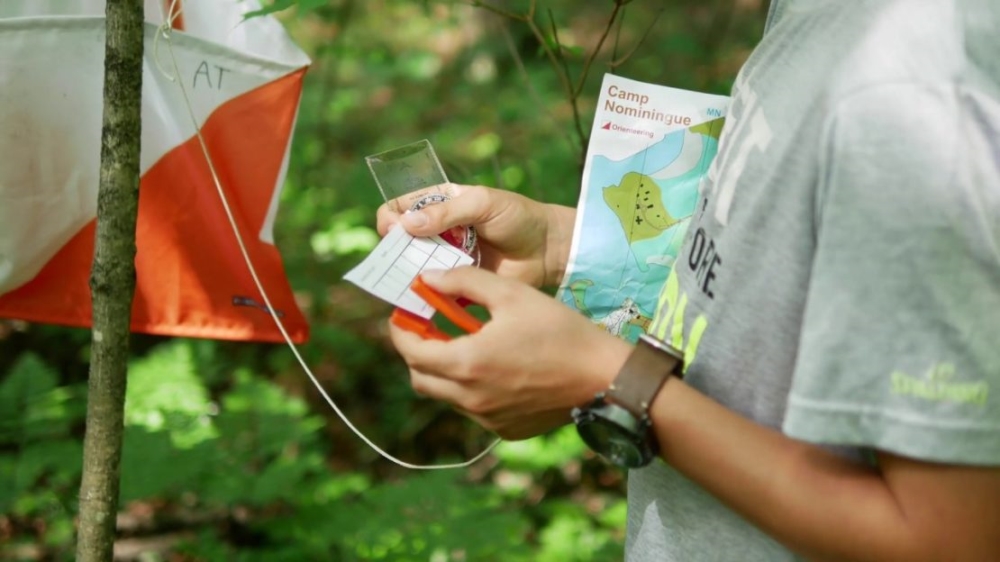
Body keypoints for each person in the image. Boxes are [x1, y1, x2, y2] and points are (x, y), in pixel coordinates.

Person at [375, 0, 1000, 559]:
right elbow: (770, 265)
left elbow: (952, 541)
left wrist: (611, 382)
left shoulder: (921, 92)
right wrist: (568, 248)